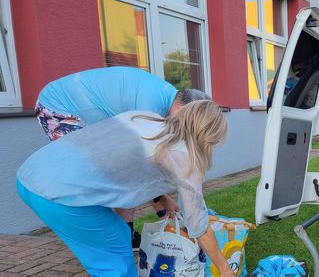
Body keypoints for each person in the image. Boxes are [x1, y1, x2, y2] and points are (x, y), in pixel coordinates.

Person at [17, 100, 240, 277]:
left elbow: (129, 166)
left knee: (120, 240)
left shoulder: (143, 117)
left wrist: (163, 198)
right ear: (209, 135)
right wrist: (227, 271)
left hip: (36, 171)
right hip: (55, 192)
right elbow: (200, 227)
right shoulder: (185, 159)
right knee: (110, 268)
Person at [35, 66, 211, 247]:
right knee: (99, 175)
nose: (183, 129)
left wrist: (161, 198)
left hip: (85, 110)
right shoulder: (149, 108)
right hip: (58, 107)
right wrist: (162, 199)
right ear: (182, 107)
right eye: (186, 121)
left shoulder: (168, 99)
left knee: (123, 173)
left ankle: (125, 235)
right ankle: (106, 242)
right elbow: (141, 163)